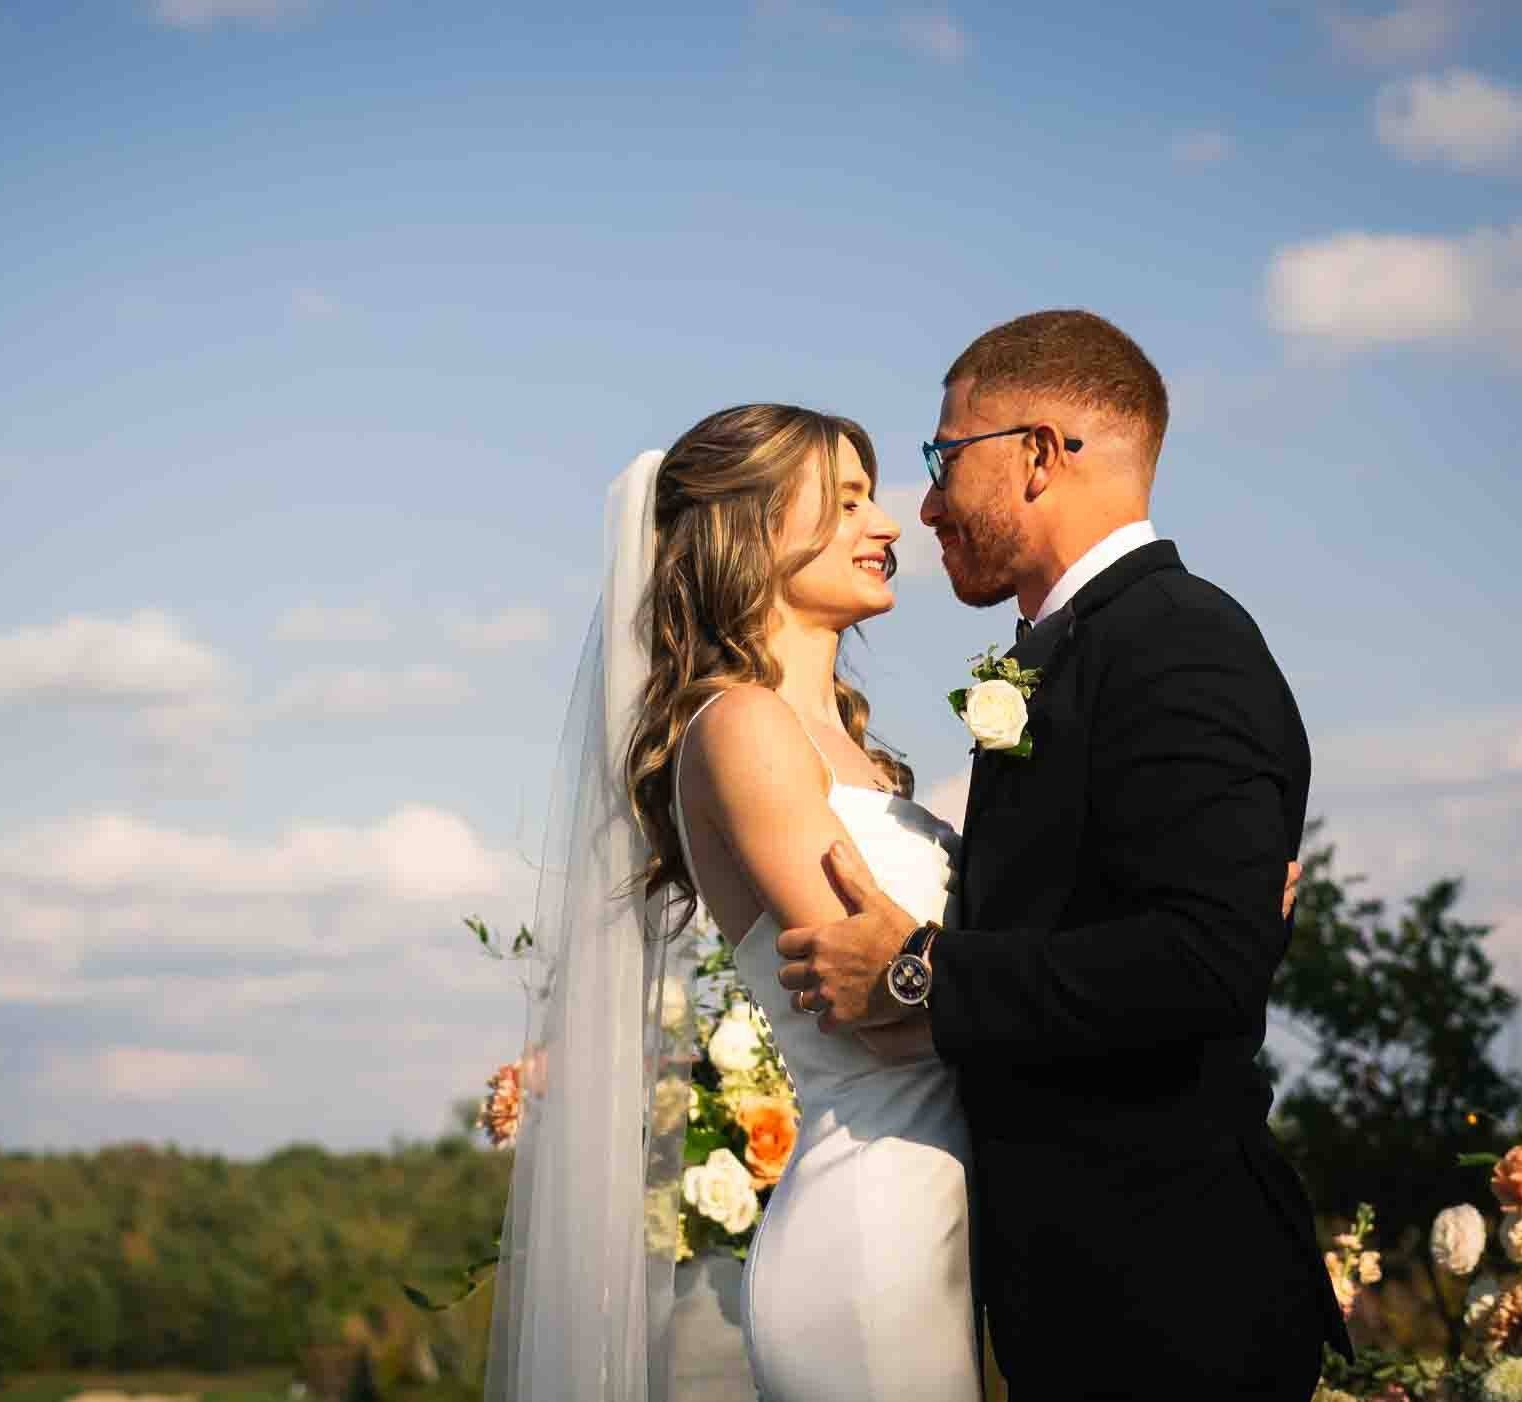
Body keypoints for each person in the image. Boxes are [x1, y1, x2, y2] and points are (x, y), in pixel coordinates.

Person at [487, 384, 1306, 1401]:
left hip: (952, 1223)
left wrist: (1201, 908)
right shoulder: (742, 728)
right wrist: (1171, 950)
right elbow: (880, 1012)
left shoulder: (853, 750)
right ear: (747, 529)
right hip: (873, 1226)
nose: (888, 524)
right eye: (843, 501)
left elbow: (935, 968)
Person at [775, 309, 1353, 1399]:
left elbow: (1204, 959)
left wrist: (919, 971)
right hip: (1078, 1296)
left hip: (1174, 1303)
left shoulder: (1180, 643)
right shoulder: (1077, 653)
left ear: (1038, 454)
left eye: (945, 457)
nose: (927, 505)